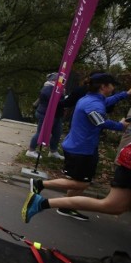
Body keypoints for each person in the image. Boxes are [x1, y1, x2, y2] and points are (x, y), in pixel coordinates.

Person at [25, 73, 131, 221]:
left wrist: (125, 94)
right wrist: (121, 126)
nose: (113, 88)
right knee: (81, 183)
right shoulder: (92, 103)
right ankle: (40, 186)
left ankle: (65, 206)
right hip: (82, 150)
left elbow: (107, 102)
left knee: (79, 181)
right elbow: (99, 121)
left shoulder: (93, 98)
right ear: (104, 86)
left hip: (80, 147)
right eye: (112, 85)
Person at [25, 72, 66, 160]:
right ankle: (31, 150)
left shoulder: (58, 89)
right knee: (40, 132)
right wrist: (65, 100)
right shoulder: (48, 89)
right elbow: (56, 102)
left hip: (56, 115)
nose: (63, 82)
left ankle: (53, 151)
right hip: (45, 114)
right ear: (55, 80)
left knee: (57, 133)